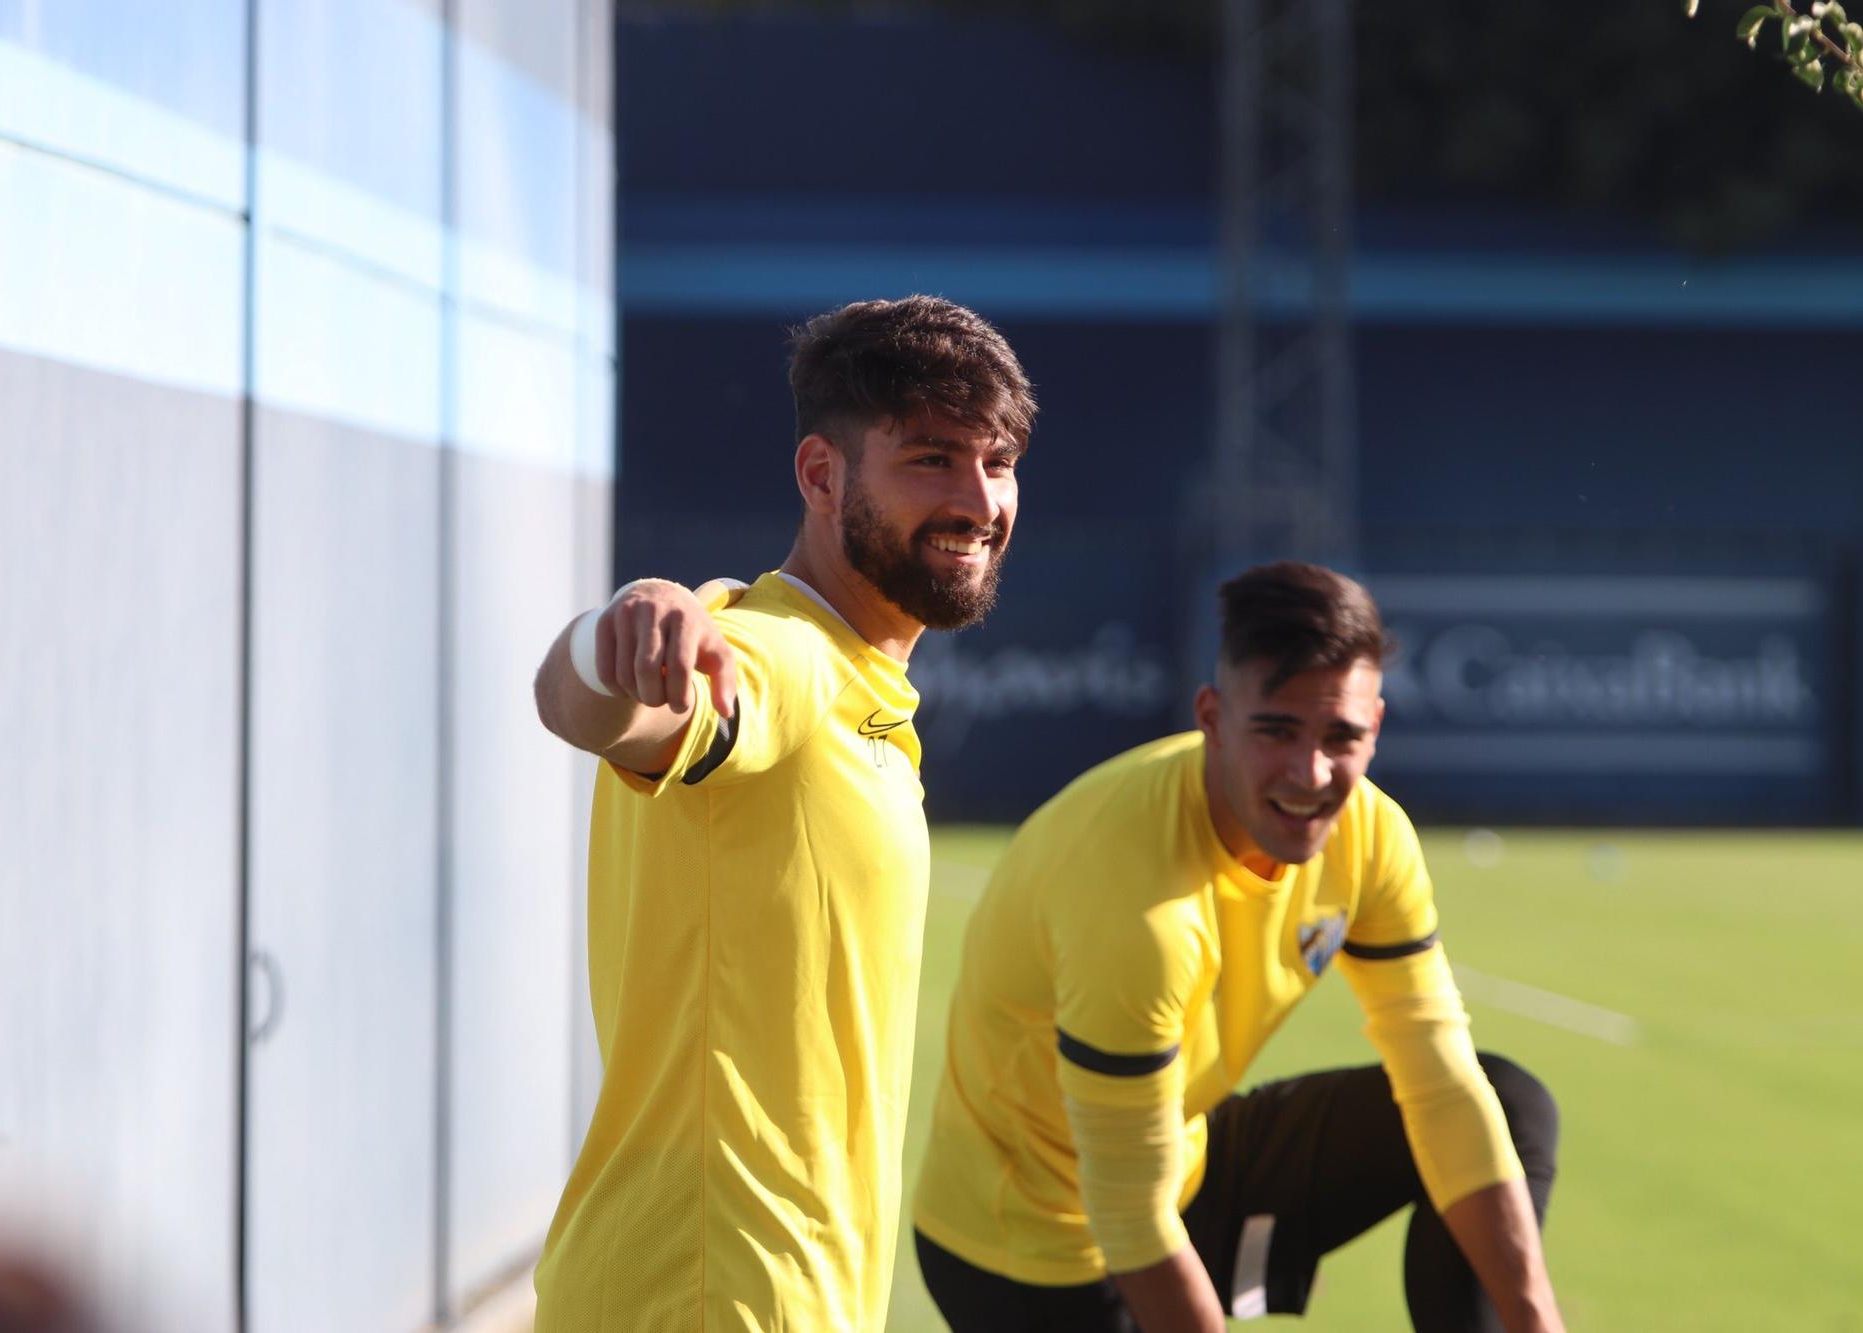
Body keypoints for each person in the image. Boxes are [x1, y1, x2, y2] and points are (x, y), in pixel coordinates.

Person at [530, 295, 1036, 1331]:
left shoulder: (860, 686)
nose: (977, 498)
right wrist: (614, 632)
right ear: (820, 474)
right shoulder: (782, 657)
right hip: (712, 1296)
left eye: (996, 460)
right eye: (931, 458)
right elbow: (584, 703)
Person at [911, 561, 1564, 1333]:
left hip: (1177, 1173)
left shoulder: (1372, 834)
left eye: (1341, 736)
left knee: (1508, 1103)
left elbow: (1443, 1087)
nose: (1311, 773)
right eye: (1277, 730)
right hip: (1031, 1251)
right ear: (1212, 718)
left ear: (1376, 727)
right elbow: (1127, 1217)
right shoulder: (1138, 903)